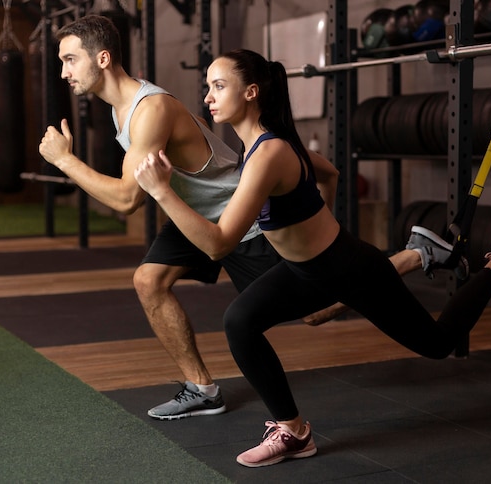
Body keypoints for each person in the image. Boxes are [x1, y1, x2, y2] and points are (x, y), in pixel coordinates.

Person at [133, 48, 491, 468]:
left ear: (252, 92)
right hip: (304, 271)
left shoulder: (270, 153)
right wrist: (319, 219)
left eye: (218, 86)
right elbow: (328, 172)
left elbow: (220, 244)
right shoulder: (257, 147)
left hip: (349, 269)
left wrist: (162, 191)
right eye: (208, 87)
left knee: (437, 343)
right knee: (240, 321)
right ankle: (293, 432)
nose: (207, 96)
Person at [37, 15, 463, 421]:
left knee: (314, 312)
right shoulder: (119, 108)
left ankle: (412, 256)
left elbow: (130, 198)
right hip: (191, 211)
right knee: (148, 280)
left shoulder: (150, 110)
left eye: (69, 59)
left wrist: (64, 161)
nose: (63, 72)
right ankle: (202, 389)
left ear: (103, 58)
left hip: (239, 222)